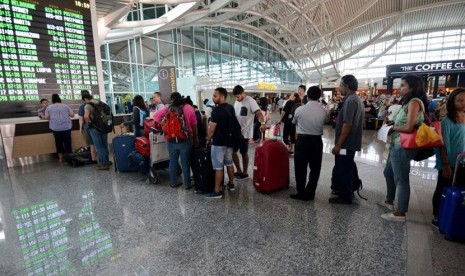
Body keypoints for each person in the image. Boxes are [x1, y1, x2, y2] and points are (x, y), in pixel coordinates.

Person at [381, 74, 428, 221]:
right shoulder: (407, 103)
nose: (399, 88)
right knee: (388, 173)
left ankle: (400, 212)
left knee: (401, 178)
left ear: (412, 87)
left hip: (403, 145)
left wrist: (393, 127)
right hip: (396, 143)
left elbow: (408, 127)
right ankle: (390, 200)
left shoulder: (414, 102)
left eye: (402, 85)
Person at [431, 88, 465, 228]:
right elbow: (443, 144)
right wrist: (445, 164)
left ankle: (451, 215)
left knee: (457, 188)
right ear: (453, 102)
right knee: (443, 188)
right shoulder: (447, 121)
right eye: (460, 100)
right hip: (448, 161)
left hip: (460, 162)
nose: (463, 103)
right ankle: (437, 216)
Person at [329, 75, 364, 204]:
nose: (339, 88)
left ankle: (345, 196)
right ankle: (345, 191)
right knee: (346, 166)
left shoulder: (350, 101)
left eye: (341, 85)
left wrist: (338, 145)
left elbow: (347, 124)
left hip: (346, 143)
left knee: (343, 168)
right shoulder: (356, 99)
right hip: (350, 142)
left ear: (347, 86)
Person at [153, 92, 199, 189]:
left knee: (173, 162)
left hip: (171, 140)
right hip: (185, 140)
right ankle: (187, 184)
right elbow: (194, 124)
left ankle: (173, 183)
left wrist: (164, 126)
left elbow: (156, 117)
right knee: (185, 162)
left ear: (172, 99)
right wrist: (196, 138)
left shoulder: (167, 108)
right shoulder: (188, 108)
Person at [290, 86, 328, 201]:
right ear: (319, 97)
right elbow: (325, 122)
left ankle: (301, 192)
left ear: (308, 95)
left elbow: (294, 122)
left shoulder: (299, 110)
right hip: (317, 141)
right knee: (315, 168)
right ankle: (310, 193)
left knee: (300, 167)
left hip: (302, 140)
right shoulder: (323, 110)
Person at [205, 87, 236, 199]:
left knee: (218, 167)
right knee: (229, 163)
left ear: (222, 96)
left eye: (215, 95)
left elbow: (212, 129)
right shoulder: (231, 108)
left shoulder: (216, 111)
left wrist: (208, 139)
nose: (213, 98)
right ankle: (231, 184)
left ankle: (217, 191)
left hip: (218, 143)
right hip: (229, 141)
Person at [232, 85, 266, 179]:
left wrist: (262, 123)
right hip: (236, 132)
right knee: (232, 152)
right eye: (235, 96)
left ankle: (245, 172)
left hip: (245, 132)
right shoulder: (236, 102)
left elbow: (259, 113)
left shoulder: (250, 100)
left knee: (243, 152)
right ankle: (239, 170)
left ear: (243, 93)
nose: (237, 98)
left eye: (238, 96)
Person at [42, 94, 75, 162]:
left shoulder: (49, 107)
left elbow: (47, 118)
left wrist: (41, 116)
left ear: (52, 100)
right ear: (59, 99)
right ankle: (69, 159)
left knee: (58, 142)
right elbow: (72, 115)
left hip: (55, 128)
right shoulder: (65, 106)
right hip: (66, 127)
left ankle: (61, 159)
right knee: (67, 142)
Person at [84, 95, 112, 170]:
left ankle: (102, 164)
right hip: (104, 127)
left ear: (86, 99)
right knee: (105, 145)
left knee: (99, 147)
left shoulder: (88, 106)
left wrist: (89, 123)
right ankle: (106, 161)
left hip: (94, 129)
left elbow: (86, 116)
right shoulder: (100, 103)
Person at [78, 91, 97, 163]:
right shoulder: (97, 103)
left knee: (91, 144)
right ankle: (102, 158)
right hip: (99, 127)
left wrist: (80, 129)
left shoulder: (83, 106)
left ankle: (94, 159)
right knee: (99, 143)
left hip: (88, 127)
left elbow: (81, 118)